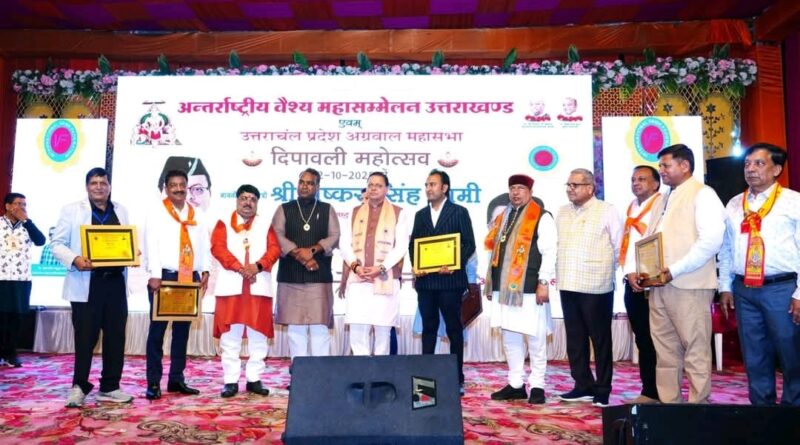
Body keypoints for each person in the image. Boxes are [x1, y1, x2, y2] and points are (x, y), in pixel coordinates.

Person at [632, 144, 725, 404]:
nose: (661, 170)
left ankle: (697, 409)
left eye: (666, 165)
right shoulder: (662, 198)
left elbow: (711, 241)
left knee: (695, 350)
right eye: (660, 166)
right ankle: (669, 406)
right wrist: (643, 273)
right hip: (659, 286)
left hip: (689, 285)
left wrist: (675, 270)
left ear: (685, 166)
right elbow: (651, 241)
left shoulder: (703, 194)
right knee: (665, 352)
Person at [718, 143, 800, 406]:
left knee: (791, 353)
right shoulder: (734, 203)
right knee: (754, 356)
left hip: (782, 289)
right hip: (744, 289)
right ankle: (763, 414)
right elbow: (726, 248)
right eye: (747, 164)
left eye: (759, 163)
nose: (751, 169)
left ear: (777, 169)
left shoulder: (793, 201)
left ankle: (793, 414)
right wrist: (725, 286)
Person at [50, 168, 134, 407]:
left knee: (116, 336)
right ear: (87, 187)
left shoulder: (121, 210)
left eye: (103, 183)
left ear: (109, 186)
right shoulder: (71, 210)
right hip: (87, 283)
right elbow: (56, 244)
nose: (99, 187)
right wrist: (75, 258)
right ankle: (79, 386)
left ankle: (110, 386)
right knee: (85, 338)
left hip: (115, 283)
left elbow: (124, 241)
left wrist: (130, 251)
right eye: (94, 183)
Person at [486, 174, 556, 405]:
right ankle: (516, 384)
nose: (515, 192)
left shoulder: (542, 217)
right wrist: (491, 283)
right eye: (512, 188)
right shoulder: (504, 216)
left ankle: (537, 385)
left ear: (530, 192)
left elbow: (549, 252)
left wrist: (543, 282)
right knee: (510, 337)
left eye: (520, 188)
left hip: (529, 288)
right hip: (504, 289)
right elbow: (495, 251)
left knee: (535, 337)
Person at [556, 168, 622, 407]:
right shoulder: (562, 212)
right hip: (568, 282)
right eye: (568, 185)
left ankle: (603, 388)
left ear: (590, 188)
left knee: (600, 339)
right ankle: (583, 384)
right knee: (575, 339)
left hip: (596, 285)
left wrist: (609, 272)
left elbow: (619, 246)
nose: (570, 189)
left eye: (575, 185)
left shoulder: (607, 210)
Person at [144, 169, 211, 400]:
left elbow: (204, 244)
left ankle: (176, 379)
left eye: (182, 185)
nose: (179, 189)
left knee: (182, 332)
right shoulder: (157, 211)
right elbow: (151, 243)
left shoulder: (197, 213)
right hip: (164, 277)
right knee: (157, 332)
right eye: (174, 185)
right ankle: (153, 382)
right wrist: (154, 274)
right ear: (166, 188)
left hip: (189, 278)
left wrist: (205, 270)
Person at [408, 169, 476, 394]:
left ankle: (457, 378)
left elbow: (469, 244)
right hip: (426, 283)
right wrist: (417, 265)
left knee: (454, 329)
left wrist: (454, 263)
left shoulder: (459, 212)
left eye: (433, 184)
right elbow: (413, 245)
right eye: (427, 185)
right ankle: (425, 381)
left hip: (450, 281)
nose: (428, 188)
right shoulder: (420, 215)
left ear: (444, 188)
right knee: (428, 328)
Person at [211, 184, 279, 398]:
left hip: (258, 286)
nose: (248, 202)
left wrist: (257, 266)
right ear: (237, 201)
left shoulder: (266, 224)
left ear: (257, 203)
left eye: (252, 199)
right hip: (231, 286)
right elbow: (218, 248)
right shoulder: (223, 222)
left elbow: (274, 249)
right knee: (230, 336)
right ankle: (230, 380)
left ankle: (254, 379)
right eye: (244, 198)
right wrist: (240, 268)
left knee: (258, 335)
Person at [339, 171, 410, 356]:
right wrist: (355, 266)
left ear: (387, 189)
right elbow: (344, 244)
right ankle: (361, 370)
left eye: (378, 185)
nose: (373, 189)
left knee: (382, 330)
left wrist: (381, 268)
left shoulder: (398, 213)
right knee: (357, 330)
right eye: (370, 185)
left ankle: (380, 372)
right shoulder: (354, 212)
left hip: (385, 279)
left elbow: (401, 246)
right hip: (359, 278)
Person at [272, 168, 340, 359]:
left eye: (310, 183)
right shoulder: (284, 208)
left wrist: (312, 251)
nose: (304, 186)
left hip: (319, 276)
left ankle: (320, 370)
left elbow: (334, 236)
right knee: (295, 329)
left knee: (319, 327)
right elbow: (276, 234)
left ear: (317, 187)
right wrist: (299, 254)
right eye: (302, 182)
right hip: (290, 276)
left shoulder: (327, 209)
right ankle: (299, 369)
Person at [620, 166, 661, 404]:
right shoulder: (631, 208)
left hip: (656, 284)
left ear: (656, 183)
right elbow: (627, 247)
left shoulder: (663, 206)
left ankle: (663, 391)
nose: (636, 183)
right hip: (633, 282)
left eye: (642, 179)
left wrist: (646, 275)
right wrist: (629, 273)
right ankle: (649, 391)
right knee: (643, 339)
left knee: (659, 341)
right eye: (633, 179)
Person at [0, 193, 45, 367]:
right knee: (1, 316)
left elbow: (40, 241)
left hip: (21, 278)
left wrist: (27, 221)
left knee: (17, 317)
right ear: (8, 206)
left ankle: (11, 353)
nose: (22, 207)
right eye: (18, 204)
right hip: (1, 277)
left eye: (24, 204)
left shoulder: (28, 226)